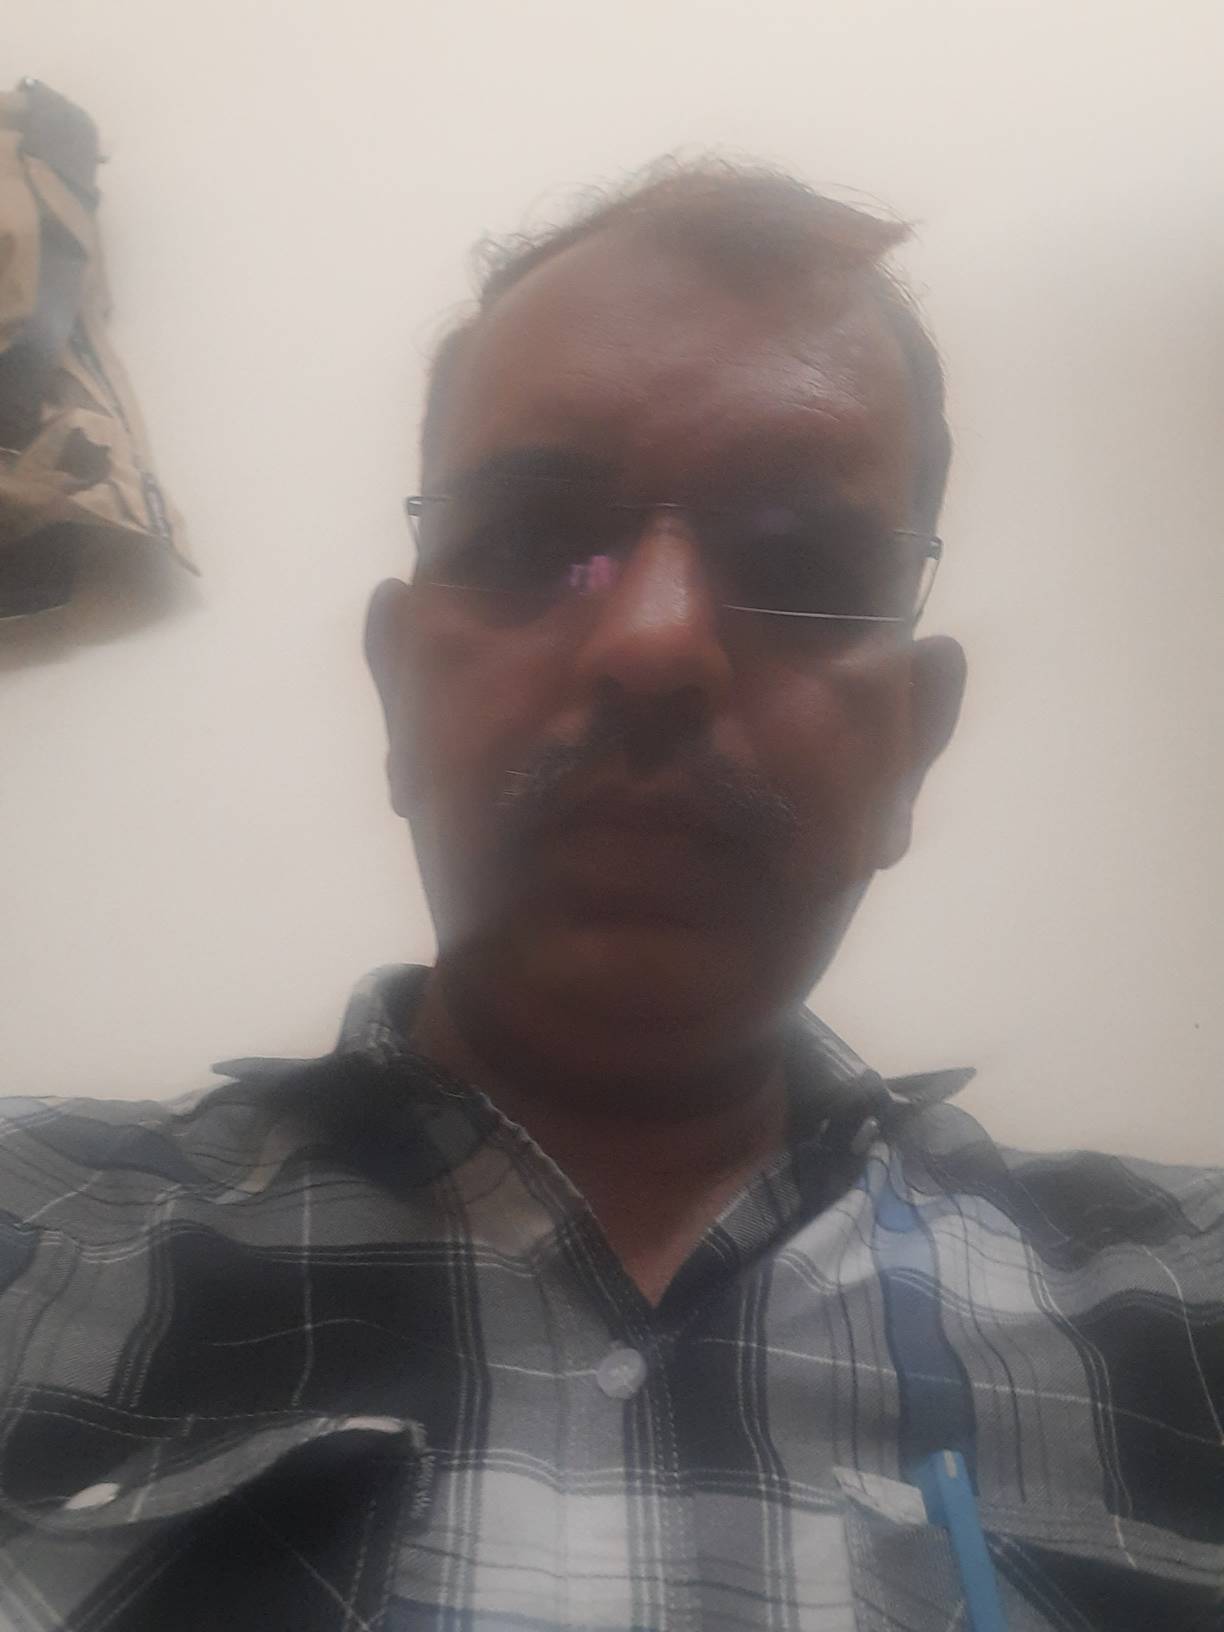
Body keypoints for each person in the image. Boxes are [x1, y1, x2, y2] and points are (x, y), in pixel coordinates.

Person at [0, 162, 1219, 1632]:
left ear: (913, 745)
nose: (653, 641)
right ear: (397, 698)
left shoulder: (1192, 1315)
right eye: (532, 539)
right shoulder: (25, 1243)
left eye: (800, 560)